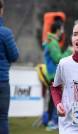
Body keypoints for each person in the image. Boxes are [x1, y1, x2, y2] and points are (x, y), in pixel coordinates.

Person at [43, 18, 72, 131]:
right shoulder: (53, 43)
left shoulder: (50, 41)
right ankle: (52, 122)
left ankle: (50, 121)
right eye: (62, 28)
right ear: (58, 29)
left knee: (53, 100)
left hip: (52, 75)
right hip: (54, 75)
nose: (63, 31)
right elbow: (58, 59)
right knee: (57, 99)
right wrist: (69, 51)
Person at [0, 0, 19, 133]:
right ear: (1, 11)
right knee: (2, 119)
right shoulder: (5, 33)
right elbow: (14, 56)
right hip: (1, 81)